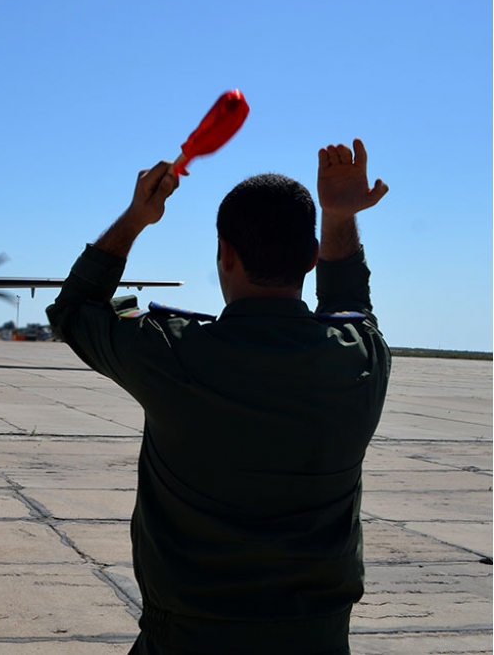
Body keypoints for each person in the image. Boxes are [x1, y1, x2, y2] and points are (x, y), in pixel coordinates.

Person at [46, 139, 391, 654]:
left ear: (225, 254)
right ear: (310, 258)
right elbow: (349, 304)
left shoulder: (171, 353)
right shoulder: (361, 360)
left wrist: (137, 217)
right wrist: (339, 216)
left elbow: (73, 310)